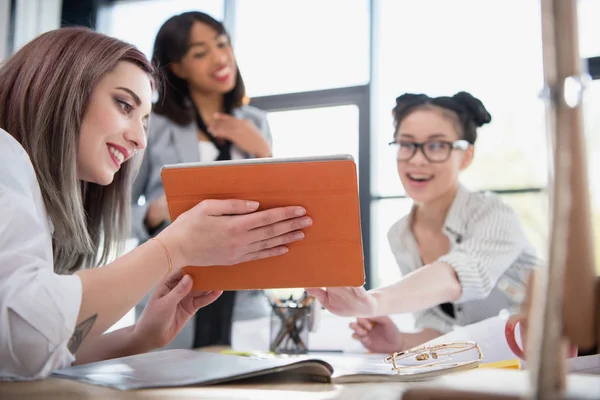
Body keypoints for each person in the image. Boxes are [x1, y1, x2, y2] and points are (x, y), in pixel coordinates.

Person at [0, 27, 311, 380]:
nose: (139, 140)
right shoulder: (4, 157)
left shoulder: (254, 123)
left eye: (144, 120)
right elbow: (24, 328)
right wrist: (173, 244)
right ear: (60, 87)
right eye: (124, 105)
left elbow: (25, 353)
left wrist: (140, 336)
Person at [306, 92, 538, 353]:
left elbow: (456, 277)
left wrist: (373, 302)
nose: (417, 160)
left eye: (436, 146)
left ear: (466, 156)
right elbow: (438, 326)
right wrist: (400, 341)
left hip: (566, 355)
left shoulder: (495, 215)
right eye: (407, 144)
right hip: (496, 365)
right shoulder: (400, 235)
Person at [130, 11, 275, 350]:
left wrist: (263, 151)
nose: (219, 57)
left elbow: (273, 201)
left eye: (222, 44)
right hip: (174, 286)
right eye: (200, 52)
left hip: (244, 290)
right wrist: (153, 213)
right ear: (177, 67)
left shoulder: (255, 122)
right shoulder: (153, 124)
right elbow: (112, 212)